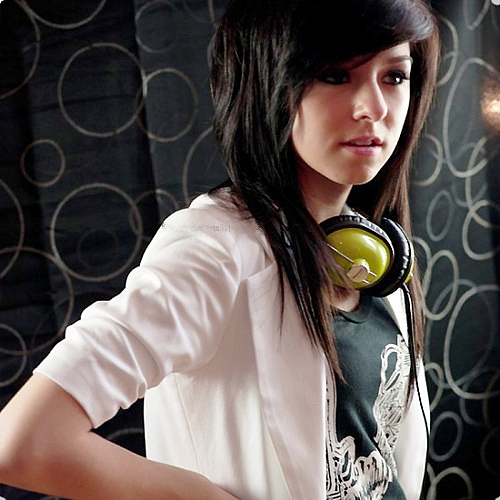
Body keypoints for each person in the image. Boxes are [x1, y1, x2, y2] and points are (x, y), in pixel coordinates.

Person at [0, 0, 440, 498]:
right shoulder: (215, 248)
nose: (375, 109)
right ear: (267, 82)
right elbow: (24, 442)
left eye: (394, 76)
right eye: (336, 76)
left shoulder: (372, 252)